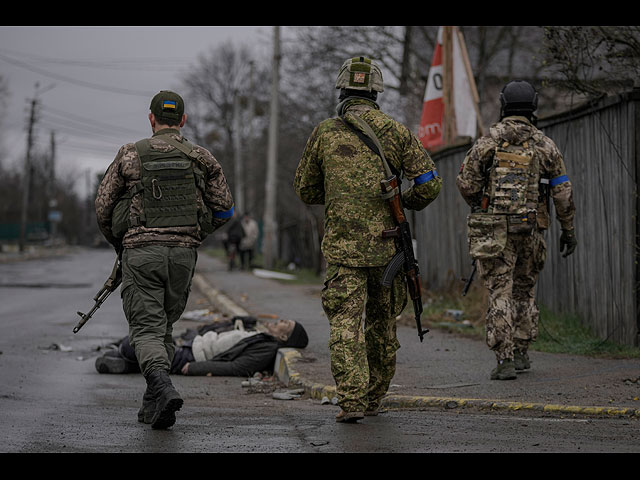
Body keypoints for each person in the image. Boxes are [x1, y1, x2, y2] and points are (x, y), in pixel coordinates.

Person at [293, 56, 442, 423]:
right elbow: (430, 183)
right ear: (376, 92)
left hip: (344, 251)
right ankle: (374, 396)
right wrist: (402, 201)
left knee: (345, 324)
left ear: (342, 90)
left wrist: (340, 193)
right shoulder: (395, 130)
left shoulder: (325, 132)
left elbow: (305, 189)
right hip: (388, 249)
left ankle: (351, 400)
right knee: (382, 324)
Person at [95, 90, 235, 429]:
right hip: (183, 256)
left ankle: (163, 386)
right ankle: (153, 406)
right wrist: (198, 232)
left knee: (145, 330)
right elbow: (226, 208)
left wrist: (121, 239)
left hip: (142, 253)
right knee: (164, 328)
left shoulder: (130, 155)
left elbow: (103, 207)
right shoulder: (202, 157)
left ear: (151, 118)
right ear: (183, 120)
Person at [456, 80, 577, 380]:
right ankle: (523, 353)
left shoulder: (488, 143)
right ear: (533, 106)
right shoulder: (545, 145)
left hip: (496, 230)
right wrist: (568, 230)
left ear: (503, 105)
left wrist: (480, 203)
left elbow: (466, 183)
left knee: (500, 292)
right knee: (525, 290)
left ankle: (504, 360)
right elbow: (562, 192)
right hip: (532, 229)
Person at [94, 317, 309, 425]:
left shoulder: (267, 347)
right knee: (147, 346)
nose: (279, 320)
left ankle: (123, 359)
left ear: (283, 337)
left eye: (285, 324)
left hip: (193, 356)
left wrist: (197, 368)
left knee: (132, 344)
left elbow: (238, 367)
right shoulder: (262, 334)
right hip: (193, 345)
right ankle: (125, 363)